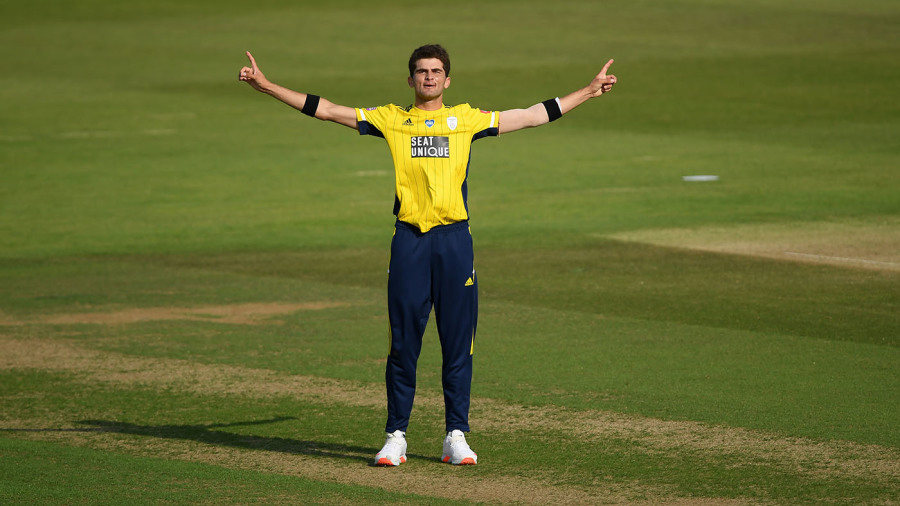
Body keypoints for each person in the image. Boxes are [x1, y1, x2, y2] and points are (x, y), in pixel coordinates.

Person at [238, 44, 617, 466]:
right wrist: (268, 86)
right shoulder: (392, 120)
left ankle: (455, 435)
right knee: (403, 345)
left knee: (458, 345)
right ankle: (395, 435)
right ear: (410, 79)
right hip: (409, 244)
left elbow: (530, 115)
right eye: (422, 71)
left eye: (437, 71)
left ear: (447, 79)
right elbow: (327, 109)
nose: (430, 78)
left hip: (455, 243)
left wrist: (587, 91)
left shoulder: (466, 119)